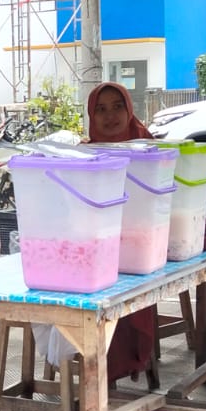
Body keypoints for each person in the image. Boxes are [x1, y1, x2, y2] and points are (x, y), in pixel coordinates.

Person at [86, 81, 157, 384]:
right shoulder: (84, 155)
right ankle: (98, 371)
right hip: (97, 248)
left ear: (129, 110)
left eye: (118, 107)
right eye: (100, 109)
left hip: (141, 247)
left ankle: (132, 359)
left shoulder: (148, 147)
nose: (110, 116)